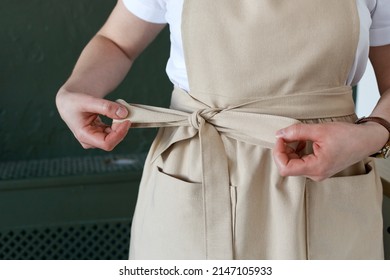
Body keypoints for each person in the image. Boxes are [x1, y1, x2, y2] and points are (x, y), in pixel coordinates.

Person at [56, 0, 390, 259]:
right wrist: (76, 88)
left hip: (328, 178)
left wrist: (374, 132)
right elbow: (116, 41)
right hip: (195, 170)